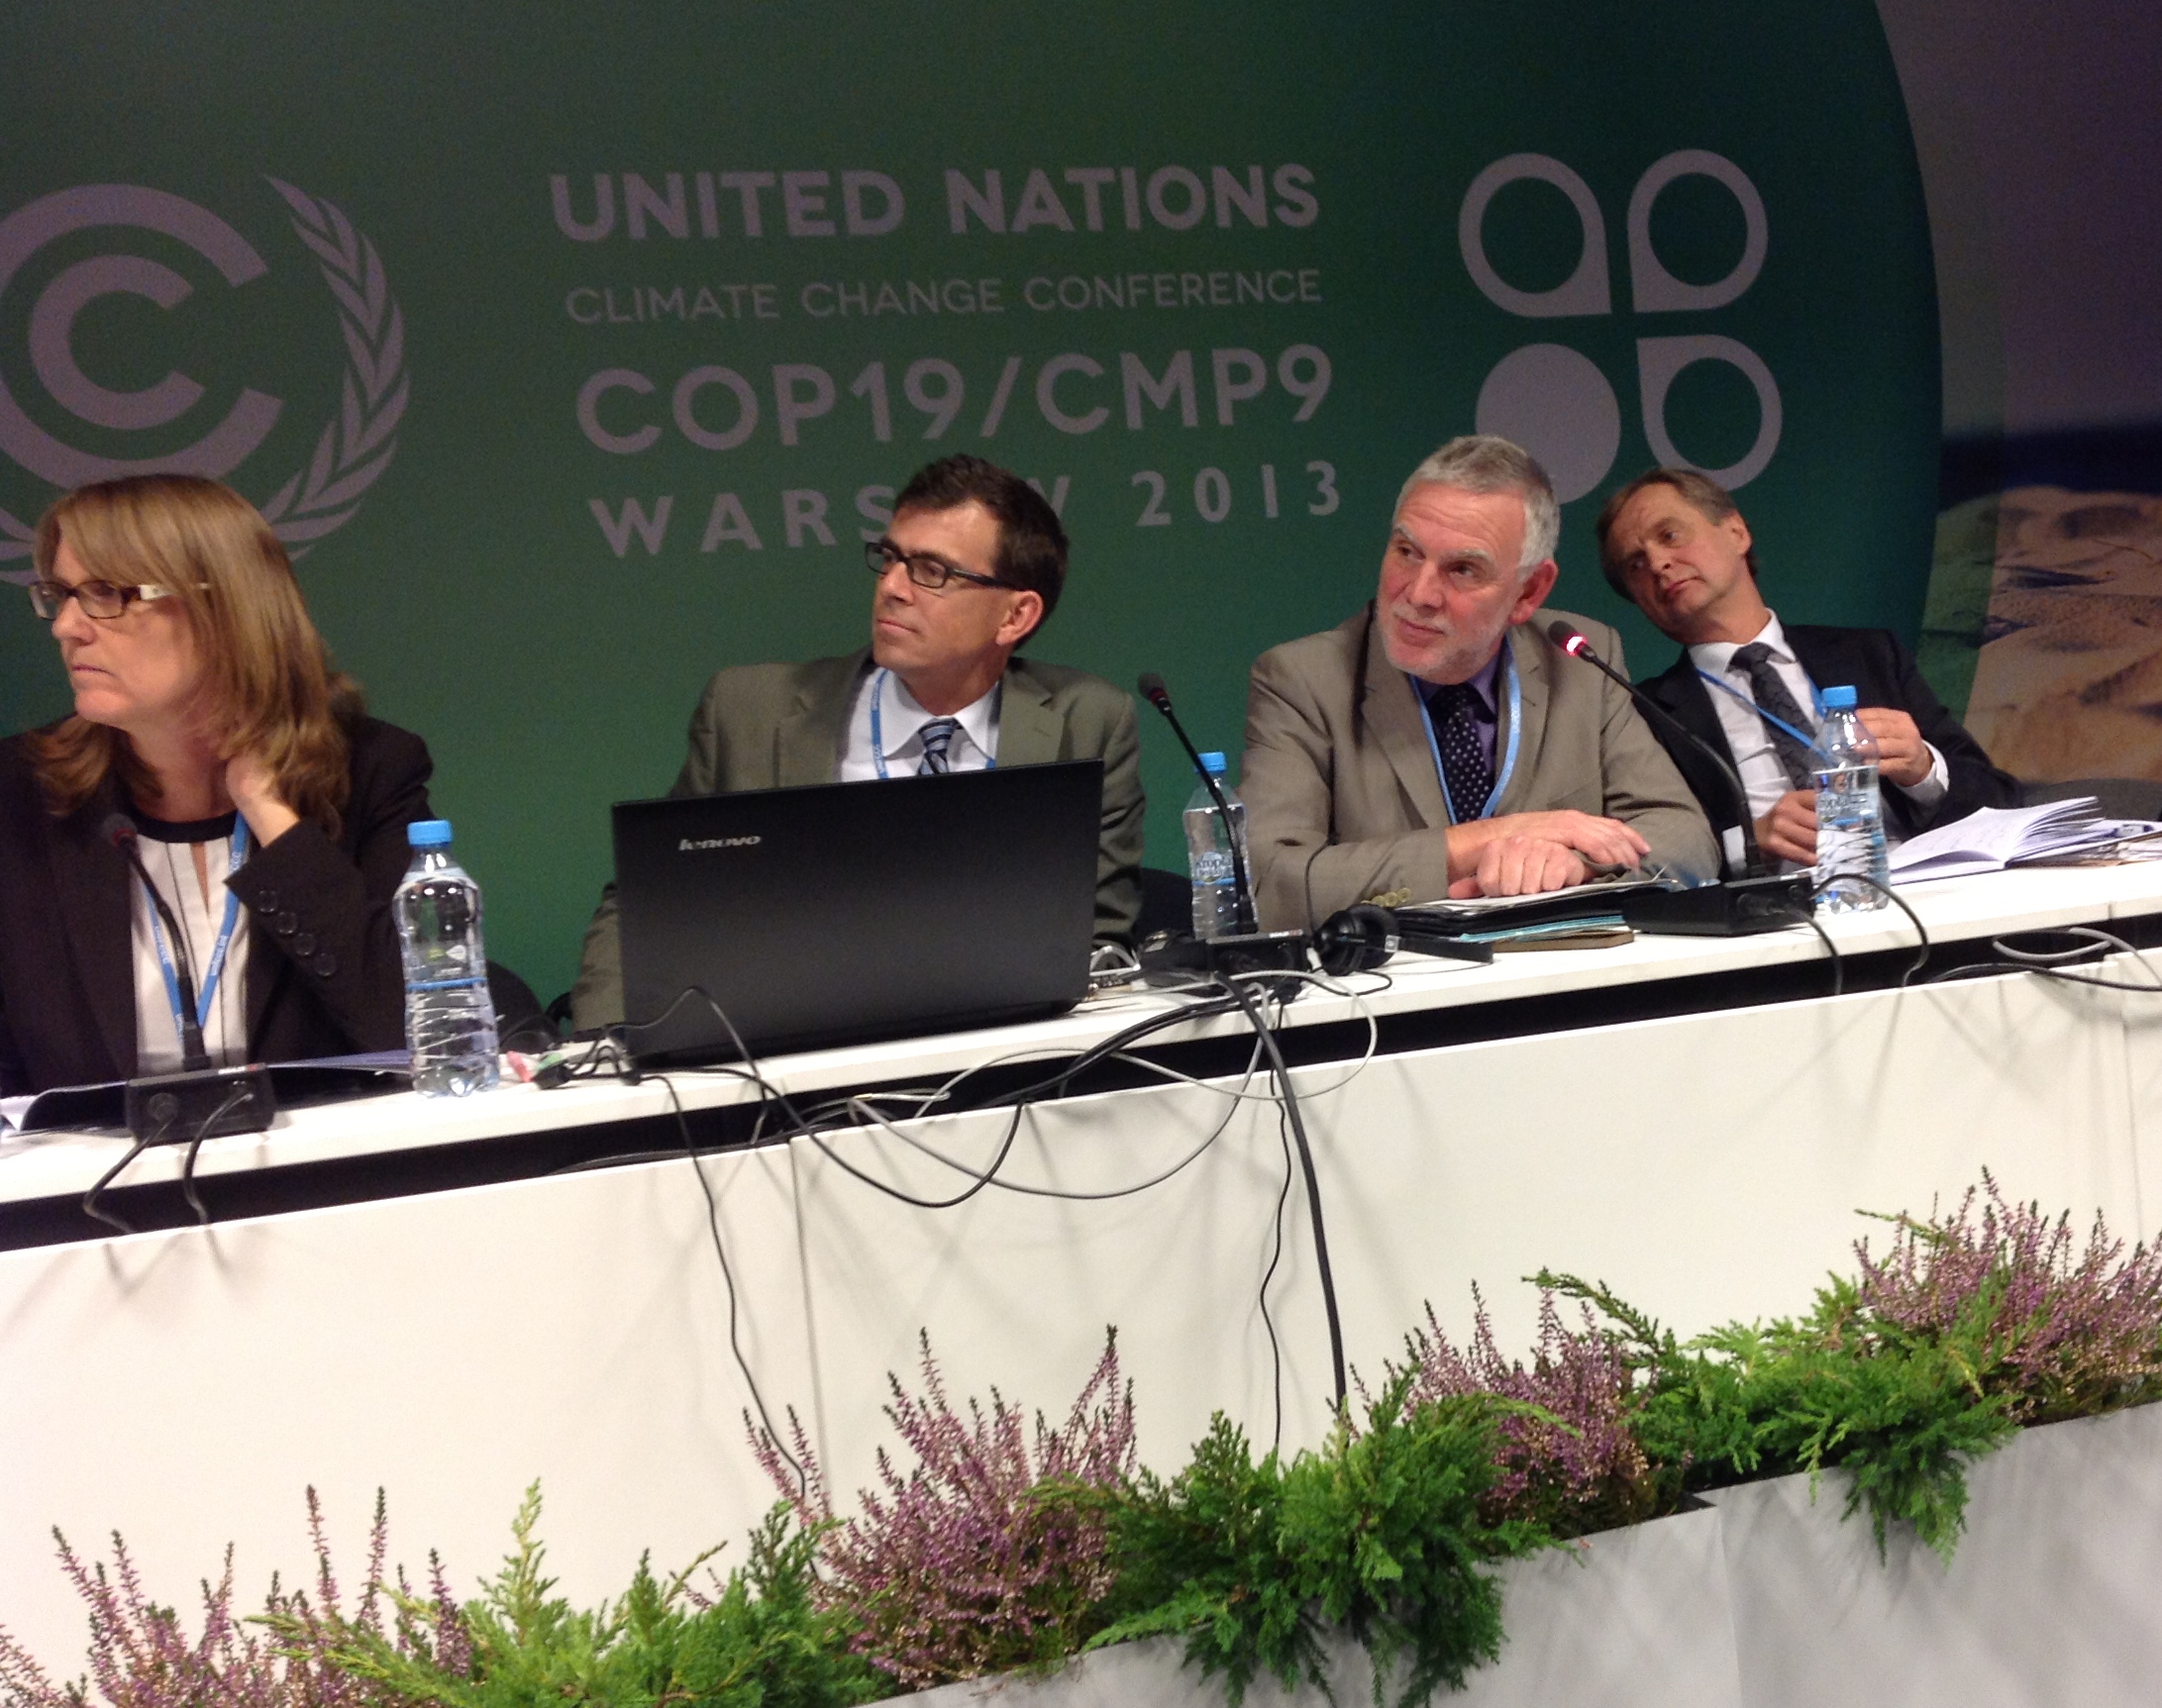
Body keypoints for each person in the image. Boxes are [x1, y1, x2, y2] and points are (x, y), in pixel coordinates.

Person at [570, 452, 1143, 1029]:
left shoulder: (1088, 723)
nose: (892, 587)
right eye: (891, 558)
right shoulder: (749, 712)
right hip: (786, 1062)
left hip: (1001, 1060)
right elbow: (650, 906)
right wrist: (611, 1043)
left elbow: (1095, 935)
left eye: (932, 572)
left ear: (1015, 616)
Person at [0, 473, 433, 1096]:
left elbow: (411, 1030)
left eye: (103, 593)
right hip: (91, 1188)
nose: (66, 627)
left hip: (319, 1182)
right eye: (60, 595)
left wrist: (268, 810)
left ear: (221, 609)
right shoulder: (19, 795)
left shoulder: (369, 772)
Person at [1240, 435, 1714, 929]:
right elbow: (1270, 887)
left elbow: (1685, 836)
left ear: (1528, 591)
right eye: (1407, 551)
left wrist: (1581, 863)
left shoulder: (1579, 658)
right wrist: (1488, 841)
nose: (1419, 594)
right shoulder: (1302, 681)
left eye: (1462, 569)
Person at [1596, 465, 2020, 869]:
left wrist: (1923, 770)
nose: (1656, 563)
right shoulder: (1645, 712)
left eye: (1669, 535)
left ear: (1736, 531)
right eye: (1634, 564)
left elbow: (2002, 802)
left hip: (1922, 893)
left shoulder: (1869, 654)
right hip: (1777, 924)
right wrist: (1747, 841)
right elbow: (1645, 852)